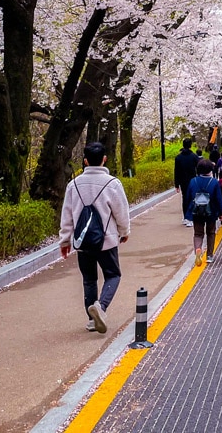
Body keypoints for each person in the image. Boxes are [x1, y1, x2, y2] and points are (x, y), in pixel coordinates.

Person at [59, 141, 130, 334]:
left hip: (83, 243)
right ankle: (101, 307)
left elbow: (67, 215)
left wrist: (65, 241)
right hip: (106, 241)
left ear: (85, 161)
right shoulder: (113, 183)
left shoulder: (73, 185)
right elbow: (121, 212)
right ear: (104, 159)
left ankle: (91, 321)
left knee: (89, 280)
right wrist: (124, 232)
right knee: (113, 275)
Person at [186, 158, 222, 266]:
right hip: (211, 212)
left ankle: (198, 249)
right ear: (210, 169)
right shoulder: (214, 182)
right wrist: (221, 212)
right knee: (211, 233)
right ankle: (209, 256)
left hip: (196, 212)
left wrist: (188, 213)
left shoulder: (193, 181)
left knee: (198, 234)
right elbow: (219, 199)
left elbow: (188, 198)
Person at [174, 138, 199, 227]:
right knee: (192, 198)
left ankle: (185, 217)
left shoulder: (178, 157)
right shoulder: (194, 156)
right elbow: (199, 168)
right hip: (193, 181)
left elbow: (176, 171)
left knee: (185, 198)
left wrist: (176, 184)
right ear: (190, 145)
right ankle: (190, 218)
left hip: (183, 181)